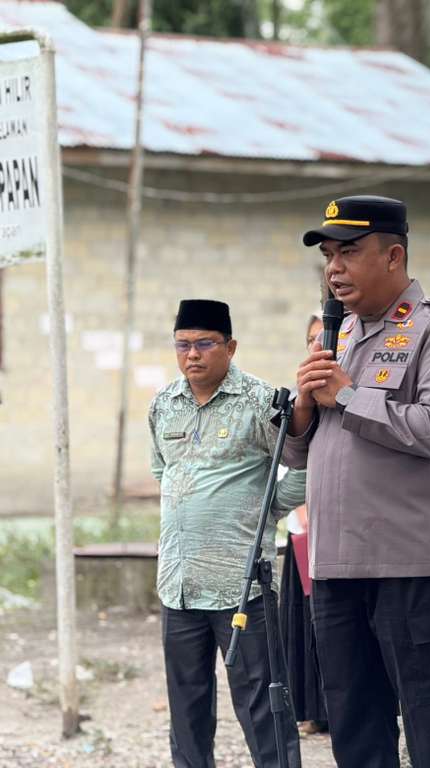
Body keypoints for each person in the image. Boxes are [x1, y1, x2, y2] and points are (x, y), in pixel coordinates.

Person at [282, 195, 430, 768]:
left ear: (393, 256)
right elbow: (308, 452)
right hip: (337, 571)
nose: (334, 268)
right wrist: (302, 412)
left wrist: (346, 395)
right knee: (356, 732)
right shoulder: (337, 334)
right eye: (328, 255)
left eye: (348, 252)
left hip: (414, 570)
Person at [148, 299, 303, 768]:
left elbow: (301, 466)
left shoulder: (260, 402)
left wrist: (263, 510)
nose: (192, 355)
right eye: (182, 345)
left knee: (262, 704)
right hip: (178, 583)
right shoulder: (163, 404)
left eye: (204, 344)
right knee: (187, 709)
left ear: (230, 347)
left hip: (241, 586)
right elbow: (163, 471)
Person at [278, 312, 330, 735]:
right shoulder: (300, 397)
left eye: (324, 337)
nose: (318, 345)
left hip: (344, 528)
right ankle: (312, 709)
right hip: (304, 527)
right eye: (310, 338)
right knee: (307, 624)